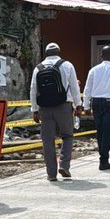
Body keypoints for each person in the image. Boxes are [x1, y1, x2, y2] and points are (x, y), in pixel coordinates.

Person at [31, 42, 81, 181]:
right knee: (67, 136)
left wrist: (34, 110)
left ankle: (51, 174)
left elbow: (33, 90)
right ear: (58, 51)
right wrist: (78, 105)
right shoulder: (67, 65)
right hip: (63, 106)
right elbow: (74, 88)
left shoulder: (38, 68)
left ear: (46, 53)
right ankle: (64, 165)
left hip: (45, 108)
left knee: (47, 140)